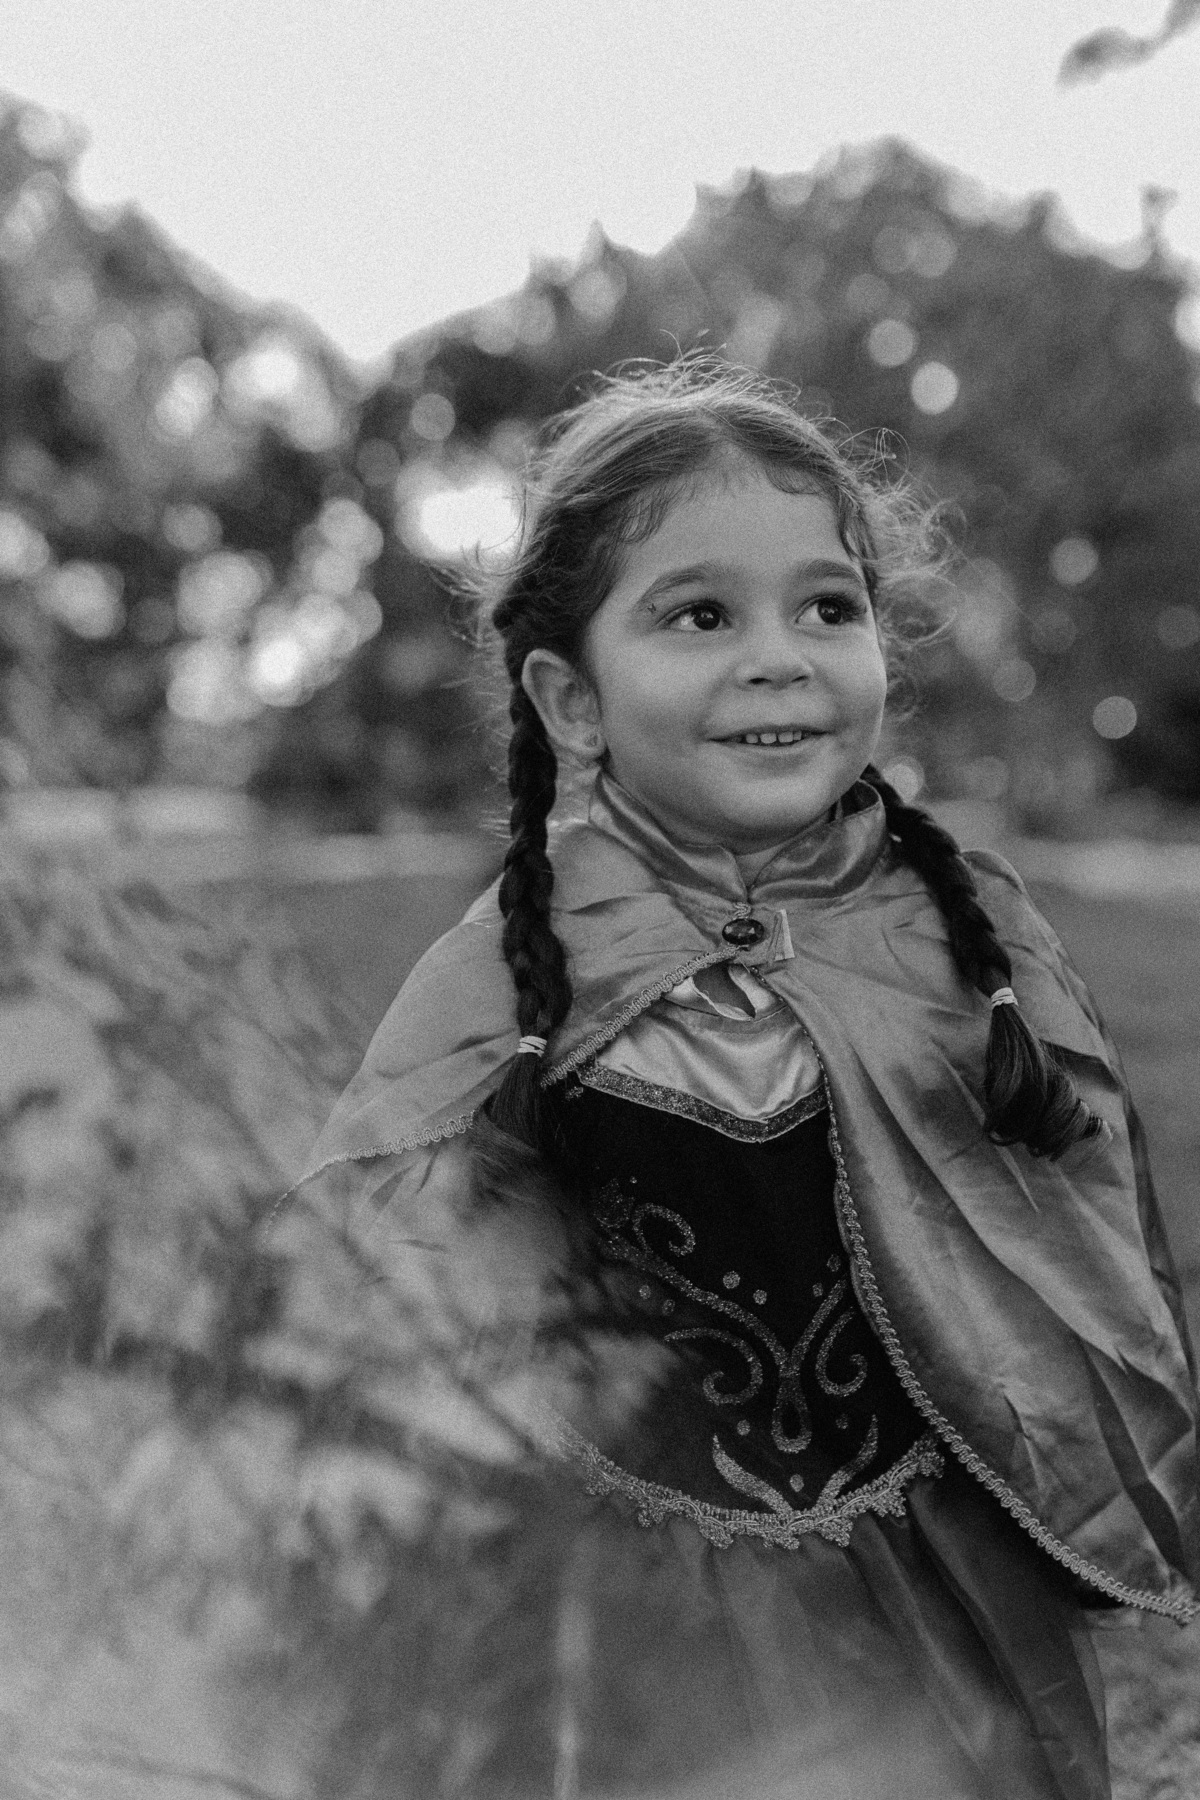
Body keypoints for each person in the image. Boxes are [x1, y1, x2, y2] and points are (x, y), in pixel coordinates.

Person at [289, 363, 1198, 1800]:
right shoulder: (522, 966)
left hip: (936, 1601)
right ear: (571, 700)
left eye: (828, 608)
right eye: (701, 615)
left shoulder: (963, 934)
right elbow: (370, 1265)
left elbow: (1068, 1239)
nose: (781, 658)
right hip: (630, 1620)